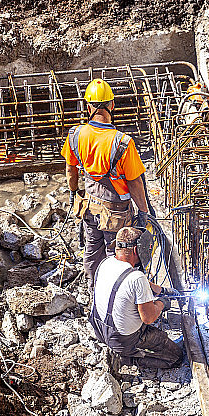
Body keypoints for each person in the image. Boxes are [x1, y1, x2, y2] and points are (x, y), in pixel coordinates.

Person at [61, 78, 150, 290]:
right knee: (115, 252)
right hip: (117, 213)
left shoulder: (75, 135)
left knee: (92, 247)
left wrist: (74, 193)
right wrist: (144, 211)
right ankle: (114, 294)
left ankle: (93, 289)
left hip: (89, 206)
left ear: (88, 106)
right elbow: (135, 183)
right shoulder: (123, 142)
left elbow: (70, 170)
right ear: (112, 105)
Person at [89, 226, 183, 369]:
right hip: (123, 340)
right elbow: (149, 318)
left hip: (100, 330)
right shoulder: (137, 278)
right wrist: (162, 303)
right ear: (135, 250)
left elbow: (130, 283)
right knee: (175, 357)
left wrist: (162, 290)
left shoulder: (106, 263)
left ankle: (121, 351)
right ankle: (126, 360)